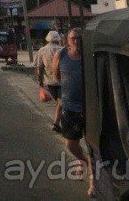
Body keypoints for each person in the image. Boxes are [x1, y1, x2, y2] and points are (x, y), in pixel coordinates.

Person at [52, 27, 94, 196]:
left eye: (79, 38)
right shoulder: (60, 55)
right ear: (67, 40)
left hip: (88, 107)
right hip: (69, 107)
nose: (76, 41)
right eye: (73, 38)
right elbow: (56, 76)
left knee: (92, 146)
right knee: (70, 143)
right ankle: (82, 161)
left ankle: (93, 183)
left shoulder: (88, 57)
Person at [35, 30, 63, 132]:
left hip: (49, 82)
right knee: (60, 102)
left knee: (59, 102)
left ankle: (56, 123)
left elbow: (39, 68)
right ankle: (56, 123)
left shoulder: (41, 51)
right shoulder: (62, 50)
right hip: (61, 81)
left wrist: (40, 83)